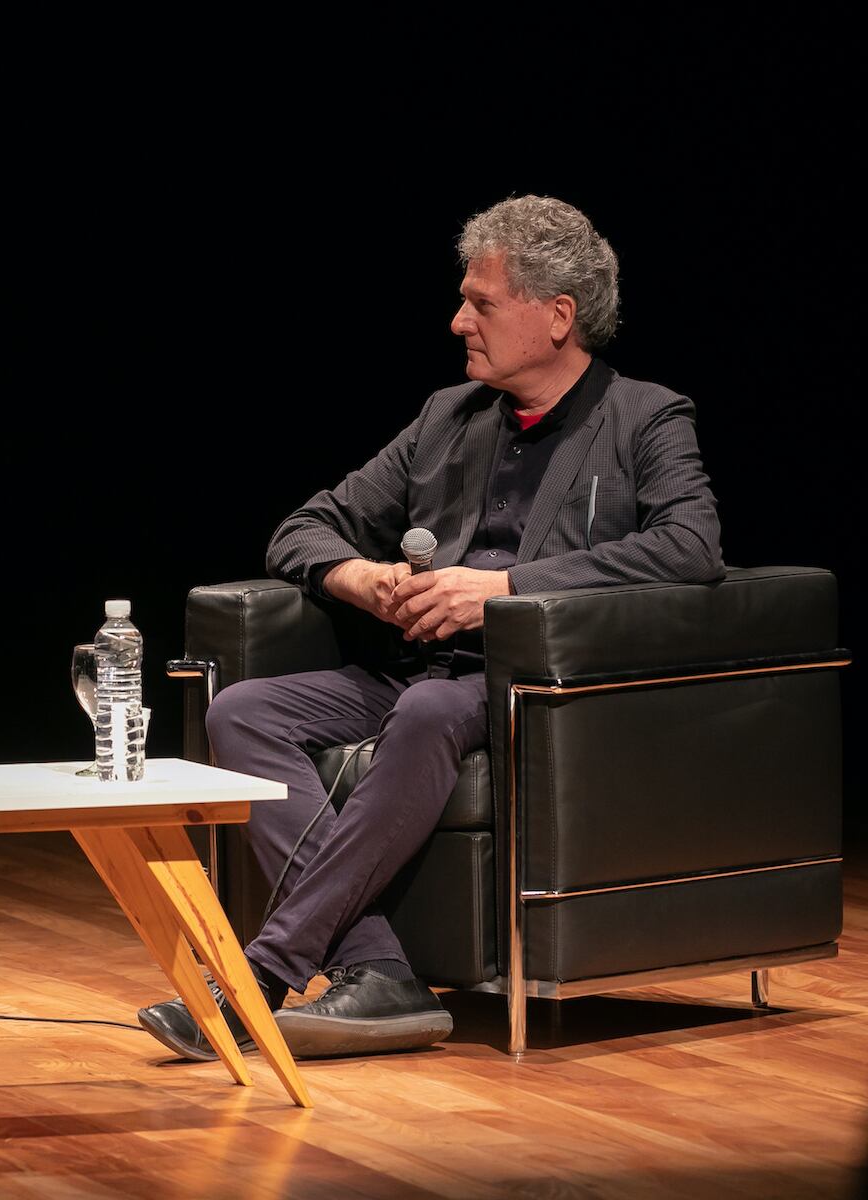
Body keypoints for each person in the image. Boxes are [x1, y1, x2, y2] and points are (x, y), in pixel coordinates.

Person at [139, 195, 724, 1060]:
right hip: (414, 669)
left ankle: (254, 982)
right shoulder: (448, 418)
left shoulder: (644, 416)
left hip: (528, 685)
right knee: (244, 713)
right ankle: (381, 975)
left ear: (557, 316)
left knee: (423, 716)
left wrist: (504, 587)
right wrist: (361, 578)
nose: (458, 321)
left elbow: (691, 544)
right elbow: (303, 525)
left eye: (481, 303)